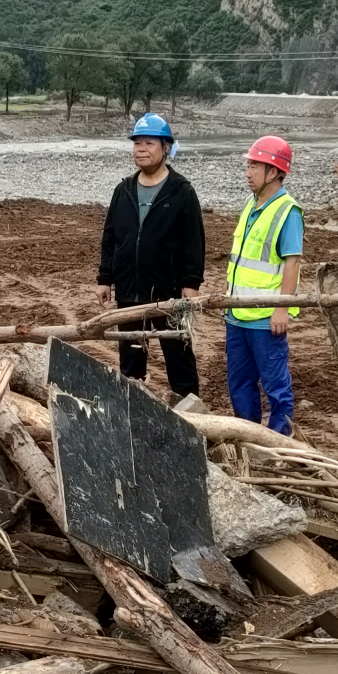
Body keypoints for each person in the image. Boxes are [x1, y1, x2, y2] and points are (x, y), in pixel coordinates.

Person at [95, 113, 205, 401]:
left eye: (149, 142)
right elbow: (111, 236)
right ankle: (132, 405)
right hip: (130, 291)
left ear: (166, 147)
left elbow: (193, 241)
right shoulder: (124, 190)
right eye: (137, 143)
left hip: (168, 293)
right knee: (131, 357)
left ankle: (189, 407)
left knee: (178, 353)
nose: (141, 149)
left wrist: (191, 283)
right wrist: (105, 278)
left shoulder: (181, 192)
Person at [224, 135, 301, 435]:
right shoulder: (251, 204)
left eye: (255, 166)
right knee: (239, 384)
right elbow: (241, 258)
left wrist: (281, 309)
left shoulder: (288, 212)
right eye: (249, 165)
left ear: (274, 171)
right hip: (237, 314)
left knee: (276, 388)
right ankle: (248, 438)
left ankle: (280, 446)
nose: (247, 172)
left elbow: (292, 264)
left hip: (266, 321)